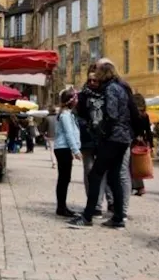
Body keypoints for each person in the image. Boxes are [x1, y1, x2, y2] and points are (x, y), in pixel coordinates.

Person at [69, 59, 132, 229]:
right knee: (114, 177)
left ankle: (88, 215)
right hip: (124, 138)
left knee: (96, 174)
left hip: (113, 138)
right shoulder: (121, 88)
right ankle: (118, 217)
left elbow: (111, 114)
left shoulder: (111, 89)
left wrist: (102, 131)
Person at [77, 67, 113, 213]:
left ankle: (106, 201)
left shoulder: (106, 94)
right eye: (89, 80)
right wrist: (85, 125)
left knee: (104, 171)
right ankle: (93, 203)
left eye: (95, 80)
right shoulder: (82, 96)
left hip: (103, 138)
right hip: (87, 139)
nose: (92, 82)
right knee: (88, 171)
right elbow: (77, 116)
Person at [52, 88, 82, 217]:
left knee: (65, 178)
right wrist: (75, 150)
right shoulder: (65, 115)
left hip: (64, 149)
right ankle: (61, 207)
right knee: (64, 179)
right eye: (75, 98)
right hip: (63, 148)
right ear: (71, 101)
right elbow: (69, 134)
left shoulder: (68, 114)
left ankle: (62, 206)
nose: (77, 101)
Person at [131, 92, 152, 196]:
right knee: (138, 165)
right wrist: (150, 144)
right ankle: (140, 187)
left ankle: (137, 186)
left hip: (133, 141)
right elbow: (148, 131)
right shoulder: (145, 115)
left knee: (131, 164)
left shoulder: (133, 114)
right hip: (142, 142)